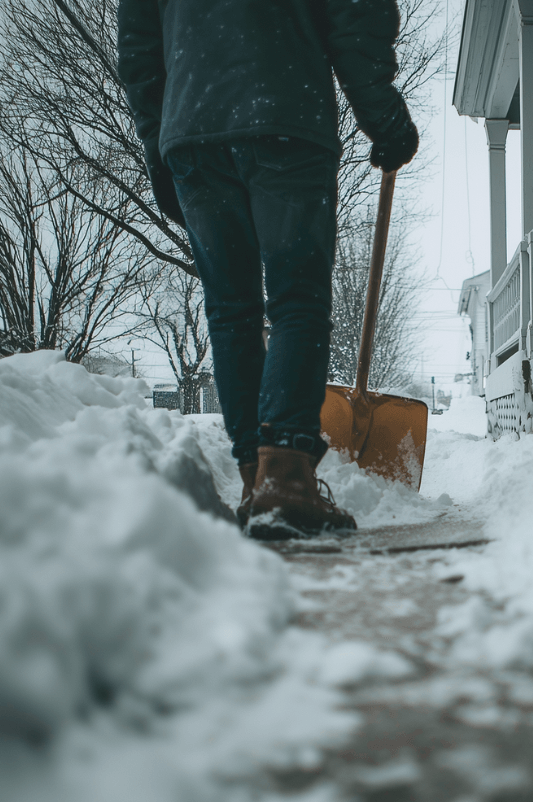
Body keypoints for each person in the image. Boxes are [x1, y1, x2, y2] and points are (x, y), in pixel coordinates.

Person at [116, 0, 418, 537]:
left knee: (230, 311)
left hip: (191, 128)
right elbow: (355, 14)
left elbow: (139, 45)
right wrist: (383, 117)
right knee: (297, 299)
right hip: (284, 110)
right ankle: (285, 481)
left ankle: (257, 483)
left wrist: (156, 140)